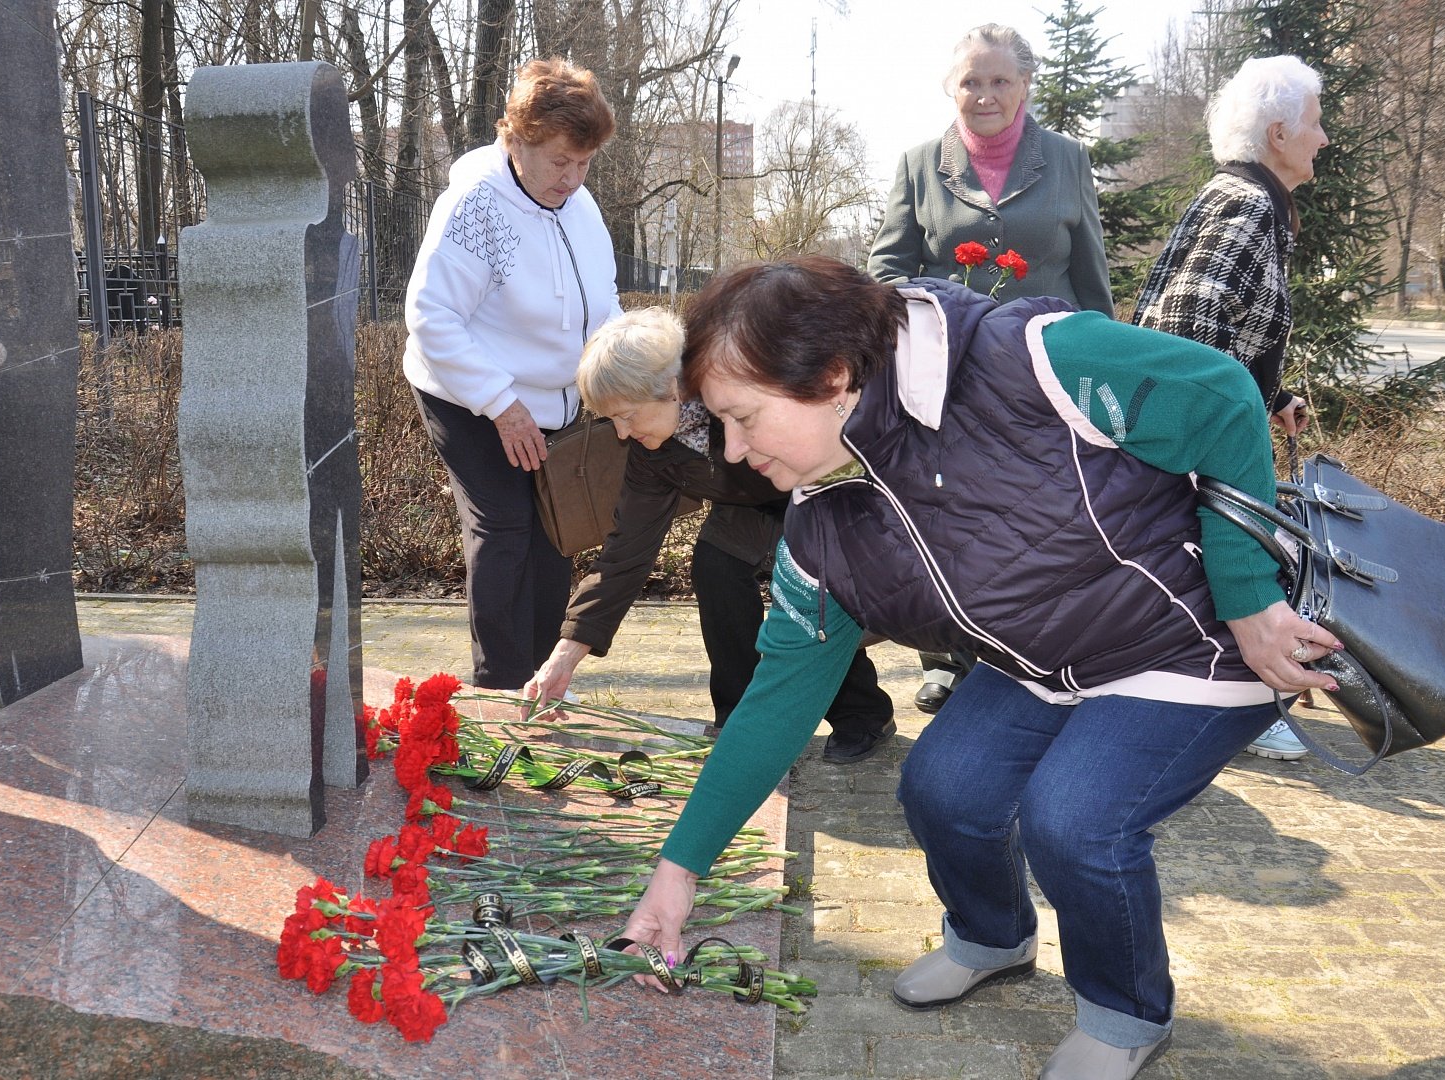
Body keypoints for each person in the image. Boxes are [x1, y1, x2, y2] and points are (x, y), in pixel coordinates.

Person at [617, 257, 1342, 1079]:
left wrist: (1248, 598)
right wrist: (678, 872)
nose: (736, 453)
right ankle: (994, 937)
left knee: (1072, 821)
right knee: (941, 788)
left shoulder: (1024, 358)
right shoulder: (822, 525)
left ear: (832, 377)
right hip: (1046, 659)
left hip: (1188, 641)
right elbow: (772, 707)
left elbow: (1217, 391)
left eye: (743, 418)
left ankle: (1126, 1012)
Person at [867, 23, 1116, 715]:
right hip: (951, 371)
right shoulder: (920, 164)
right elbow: (886, 269)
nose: (985, 94)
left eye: (1000, 80)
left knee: (1037, 513)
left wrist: (1107, 365)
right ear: (951, 88)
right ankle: (947, 658)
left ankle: (1029, 655)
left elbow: (1090, 273)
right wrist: (935, 315)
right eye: (970, 81)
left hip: (1049, 372)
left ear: (1025, 85)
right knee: (948, 510)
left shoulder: (1067, 159)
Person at [520, 308, 897, 763]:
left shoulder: (747, 390)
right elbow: (625, 554)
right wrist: (565, 654)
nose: (621, 433)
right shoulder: (650, 450)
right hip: (744, 508)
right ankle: (739, 720)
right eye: (610, 420)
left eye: (626, 416)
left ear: (671, 389)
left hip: (817, 494)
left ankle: (863, 714)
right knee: (716, 566)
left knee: (808, 588)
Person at [1133, 55, 1329, 761]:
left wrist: (1270, 396)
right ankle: (1241, 705)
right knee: (1234, 565)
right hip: (1197, 444)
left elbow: (1223, 316)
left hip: (1208, 431)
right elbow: (1185, 326)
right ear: (1279, 133)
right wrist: (1221, 421)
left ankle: (1231, 694)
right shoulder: (1247, 203)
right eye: (1314, 122)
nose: (1324, 138)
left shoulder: (1247, 199)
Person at [403, 57, 622, 690]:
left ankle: (538, 682)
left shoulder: (580, 206)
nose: (573, 179)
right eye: (560, 161)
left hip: (552, 401)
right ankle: (497, 687)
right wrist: (501, 404)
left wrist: (619, 378)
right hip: (466, 393)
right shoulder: (474, 207)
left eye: (584, 164)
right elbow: (431, 316)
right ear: (516, 139)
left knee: (556, 532)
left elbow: (602, 304)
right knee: (504, 526)